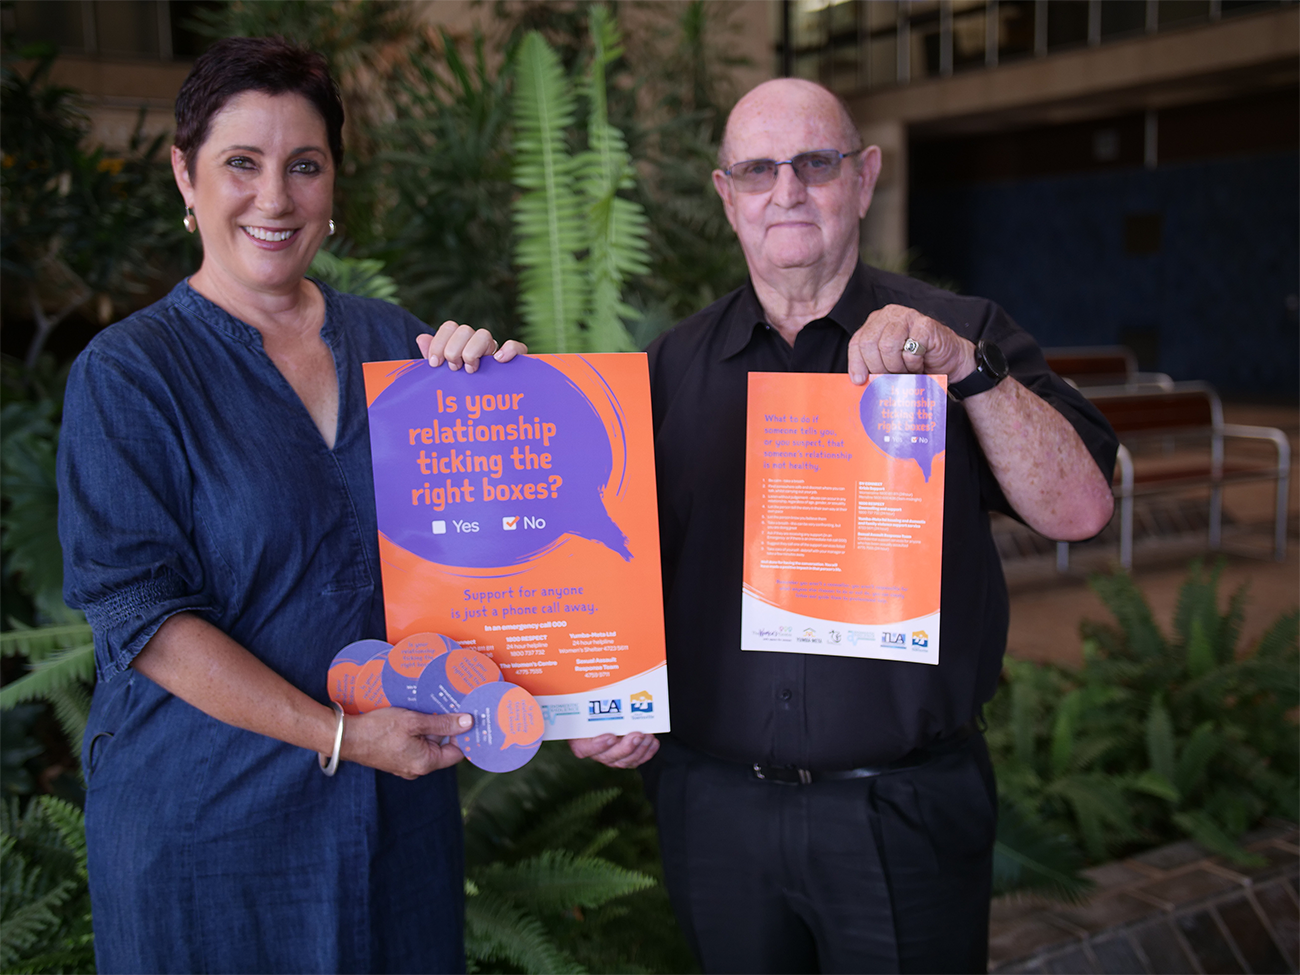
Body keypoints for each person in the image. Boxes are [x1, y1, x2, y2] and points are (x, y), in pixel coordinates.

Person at [569, 78, 1119, 973]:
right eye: (757, 170)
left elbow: (1082, 508)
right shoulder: (665, 369)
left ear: (862, 179)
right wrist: (601, 703)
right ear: (727, 196)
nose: (785, 190)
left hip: (901, 813)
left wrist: (964, 372)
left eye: (814, 163)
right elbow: (615, 568)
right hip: (714, 812)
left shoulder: (961, 337)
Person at [57, 37, 523, 974]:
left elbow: (489, 557)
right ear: (185, 175)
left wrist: (509, 412)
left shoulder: (403, 348)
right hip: (209, 833)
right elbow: (146, 620)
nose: (274, 198)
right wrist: (344, 736)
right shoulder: (128, 375)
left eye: (303, 166)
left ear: (334, 186)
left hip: (397, 824)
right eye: (242, 164)